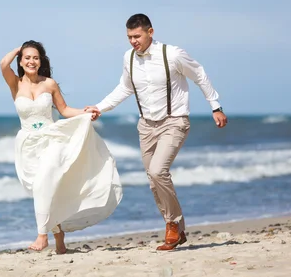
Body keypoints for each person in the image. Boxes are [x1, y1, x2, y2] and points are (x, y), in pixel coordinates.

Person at [85, 13, 228, 251]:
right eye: (129, 37)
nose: (133, 41)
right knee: (153, 179)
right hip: (146, 126)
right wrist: (100, 107)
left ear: (150, 32)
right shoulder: (128, 57)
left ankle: (173, 225)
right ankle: (176, 227)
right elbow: (124, 88)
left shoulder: (172, 54)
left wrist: (215, 106)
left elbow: (199, 74)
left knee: (158, 171)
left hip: (174, 121)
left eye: (137, 36)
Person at [0, 40, 123, 254]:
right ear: (20, 61)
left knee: (42, 183)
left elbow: (64, 110)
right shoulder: (15, 83)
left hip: (52, 139)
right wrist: (19, 49)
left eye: (35, 58)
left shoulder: (49, 84)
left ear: (41, 61)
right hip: (28, 144)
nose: (31, 61)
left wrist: (86, 113)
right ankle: (59, 240)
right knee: (49, 189)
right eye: (27, 58)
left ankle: (41, 235)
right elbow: (3, 64)